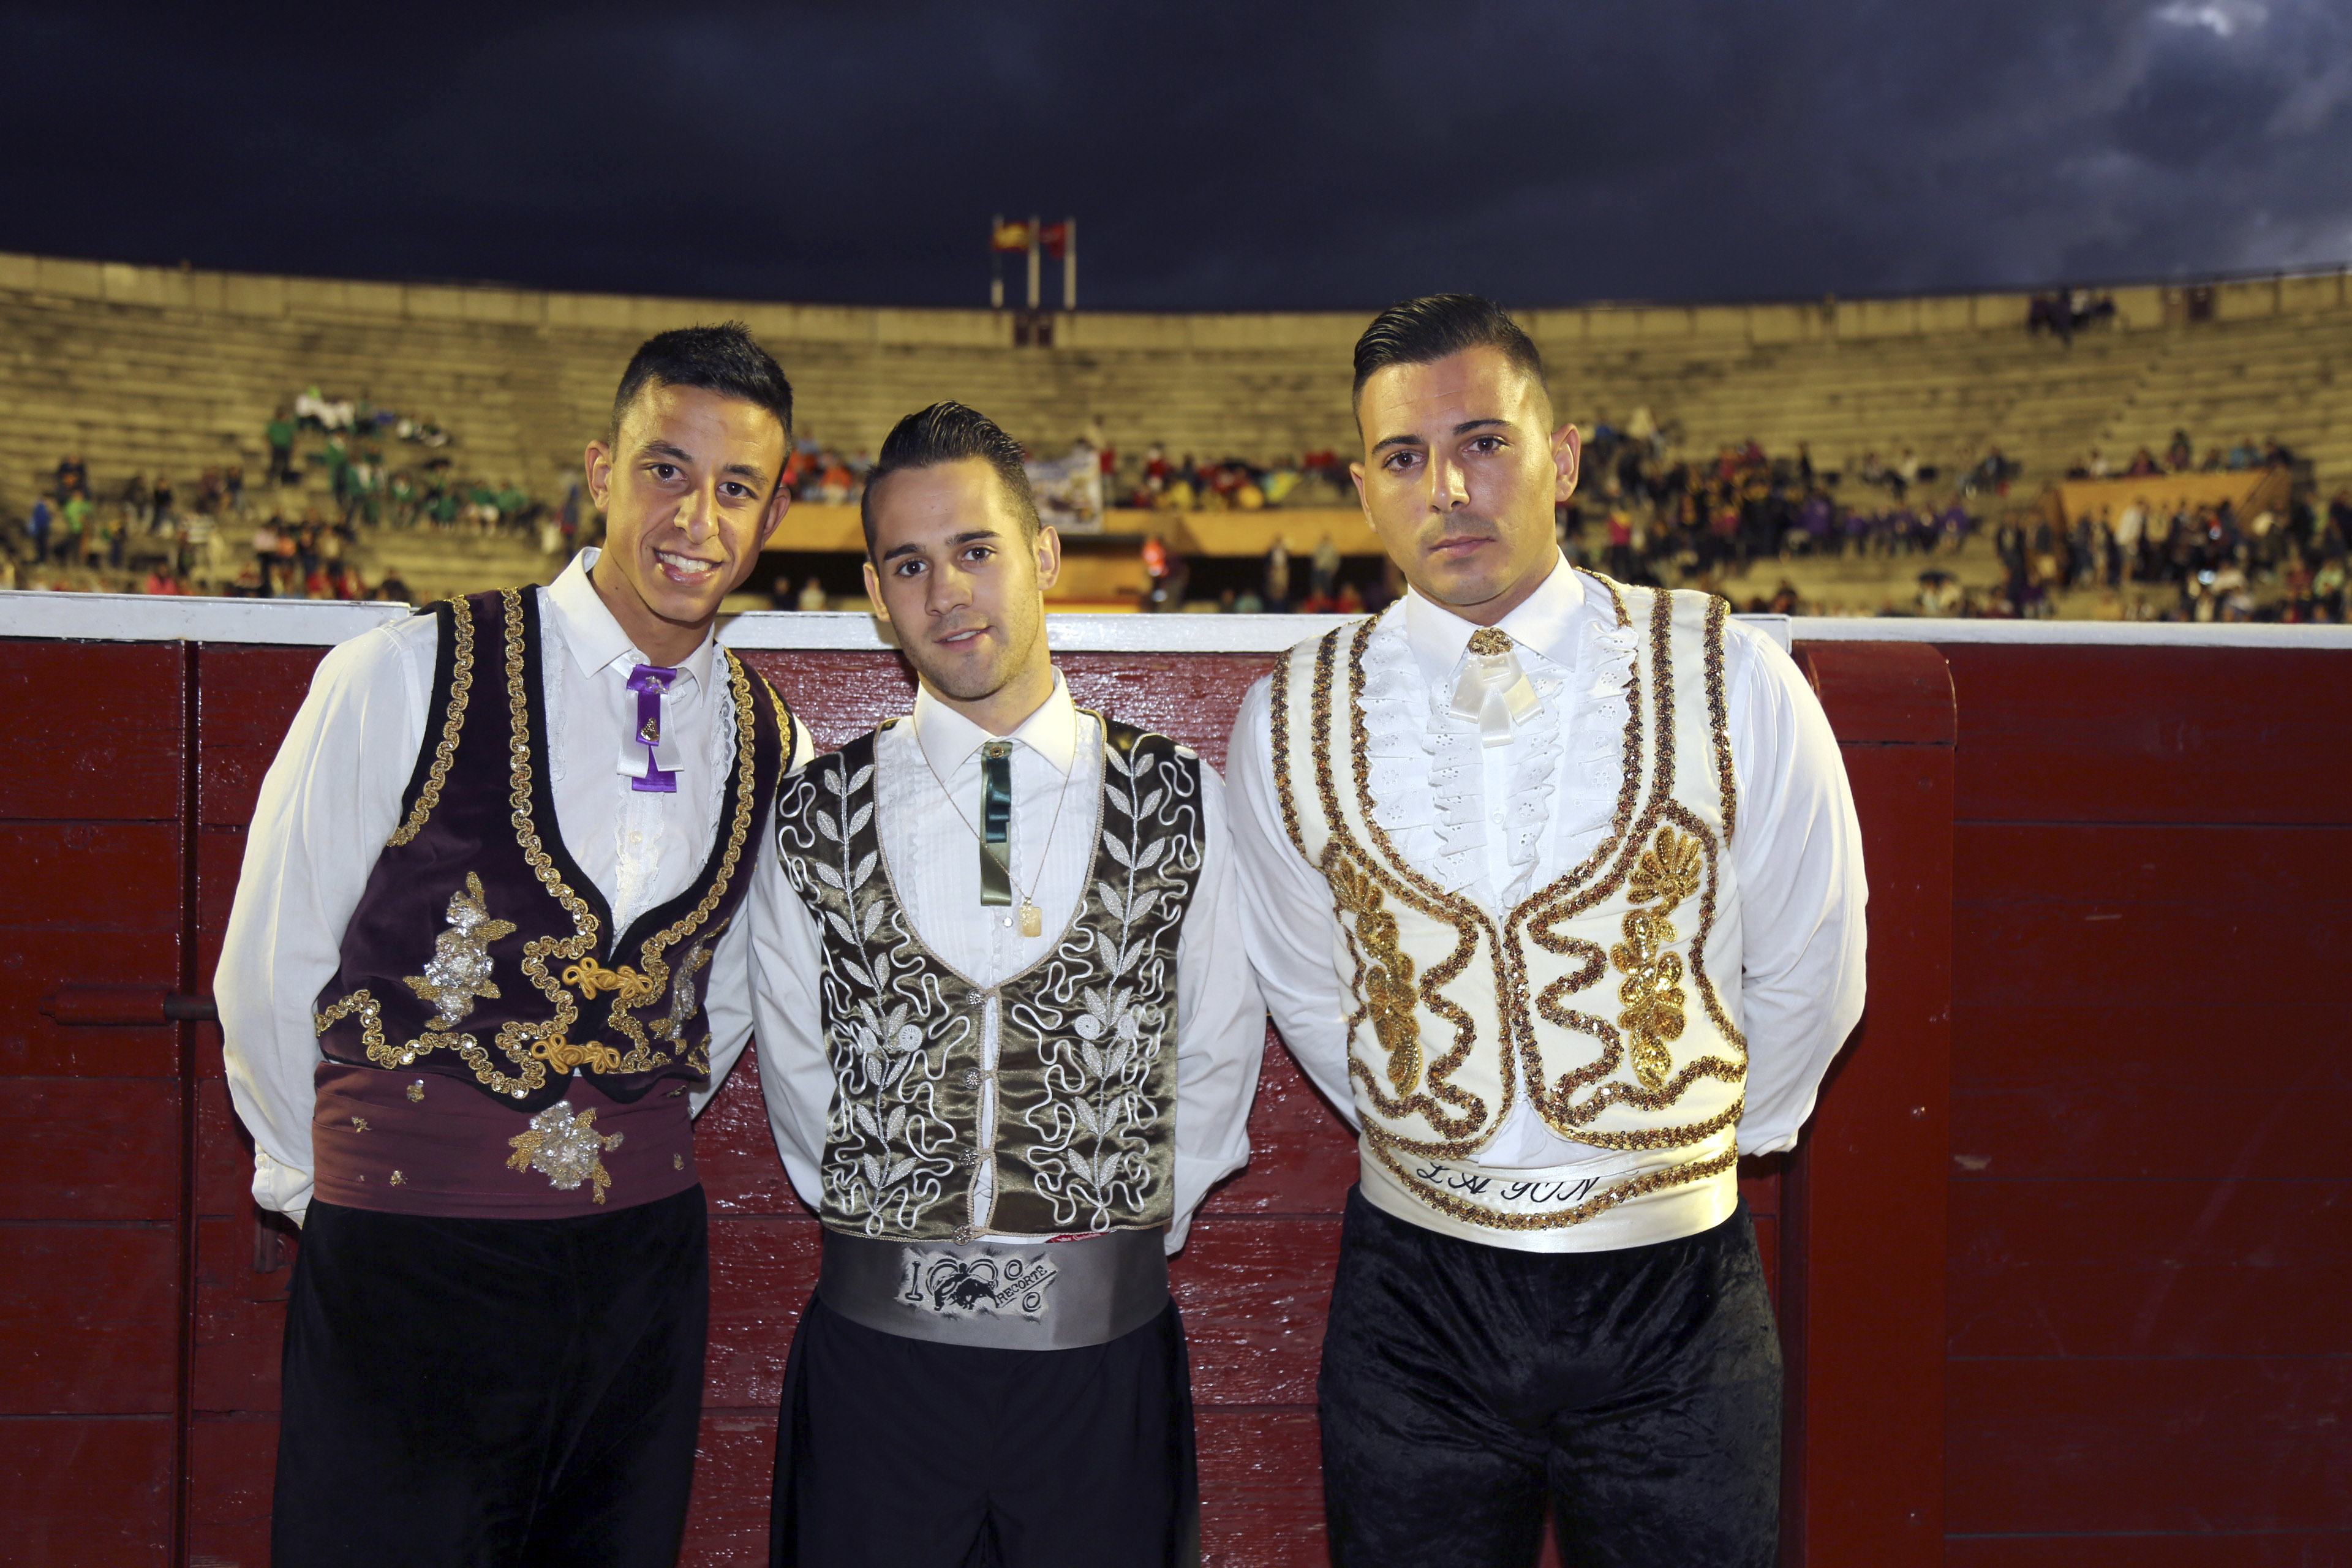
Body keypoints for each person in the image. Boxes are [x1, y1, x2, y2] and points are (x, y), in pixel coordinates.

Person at [1226, 296, 1866, 1568]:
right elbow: (1309, 984)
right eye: (1404, 457)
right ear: (1364, 491)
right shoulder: (1289, 713)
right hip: (1418, 1295)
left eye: (1484, 442)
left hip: (1673, 1289)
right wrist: (1450, 1149)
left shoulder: (1734, 672)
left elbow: (1816, 957)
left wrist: (1672, 1161)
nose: (1448, 488)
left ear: (1562, 458)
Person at [216, 322, 813, 1568]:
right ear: (600, 472)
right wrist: (335, 1195)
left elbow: (734, 1002)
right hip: (408, 1250)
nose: (696, 517)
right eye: (665, 469)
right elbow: (271, 964)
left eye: (736, 487)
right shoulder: (404, 671)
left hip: (638, 1270)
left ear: (771, 515)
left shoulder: (776, 741)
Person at [750, 401, 1264, 1568]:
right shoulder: (815, 812)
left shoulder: (1179, 794)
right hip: (880, 1368)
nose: (948, 593)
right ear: (875, 593)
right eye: (910, 565)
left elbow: (1217, 1046)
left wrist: (1105, 1242)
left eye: (976, 550)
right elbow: (799, 1069)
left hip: (1100, 1364)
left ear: (1044, 554)